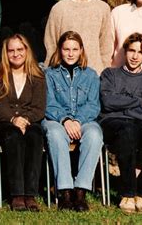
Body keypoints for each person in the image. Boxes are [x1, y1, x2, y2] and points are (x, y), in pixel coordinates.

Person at [99, 33, 142, 214]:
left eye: (140, 52)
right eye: (131, 50)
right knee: (127, 129)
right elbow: (107, 103)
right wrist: (138, 101)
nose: (135, 56)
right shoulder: (110, 75)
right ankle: (127, 193)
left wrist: (122, 106)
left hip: (141, 126)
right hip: (113, 124)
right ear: (125, 51)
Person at [42, 31, 103, 212]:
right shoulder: (50, 74)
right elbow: (48, 103)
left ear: (81, 50)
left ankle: (80, 191)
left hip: (83, 120)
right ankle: (65, 192)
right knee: (55, 134)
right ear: (60, 50)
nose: (70, 53)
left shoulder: (91, 75)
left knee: (94, 134)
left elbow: (93, 105)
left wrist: (77, 120)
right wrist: (65, 119)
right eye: (66, 49)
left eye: (75, 49)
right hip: (55, 119)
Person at [0, 34, 46, 212]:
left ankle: (30, 194)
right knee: (13, 136)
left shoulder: (37, 75)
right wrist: (14, 119)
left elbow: (39, 107)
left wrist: (26, 120)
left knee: (35, 137)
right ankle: (17, 195)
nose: (16, 54)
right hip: (5, 123)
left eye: (20, 49)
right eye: (11, 50)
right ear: (5, 53)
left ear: (26, 50)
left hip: (30, 121)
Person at [44, 0, 113, 75]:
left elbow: (105, 45)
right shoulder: (59, 8)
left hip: (94, 74)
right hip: (64, 75)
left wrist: (104, 72)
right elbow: (51, 43)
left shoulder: (102, 8)